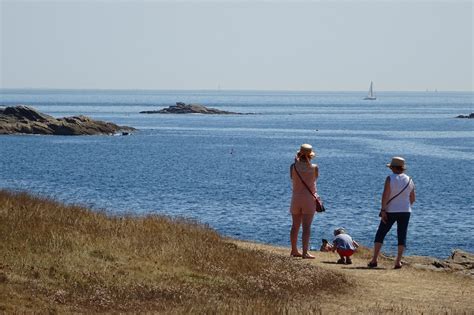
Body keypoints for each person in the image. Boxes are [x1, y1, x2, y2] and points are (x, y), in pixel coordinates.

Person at [368, 157, 416, 269]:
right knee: (402, 235)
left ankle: (374, 259)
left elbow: (385, 195)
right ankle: (398, 262)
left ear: (393, 168)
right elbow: (413, 198)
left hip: (390, 210)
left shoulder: (390, 178)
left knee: (381, 233)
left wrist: (383, 210)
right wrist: (405, 206)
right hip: (405, 211)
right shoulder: (410, 179)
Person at [289, 144, 319, 259]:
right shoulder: (314, 167)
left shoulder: (293, 167)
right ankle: (305, 252)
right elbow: (315, 178)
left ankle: (294, 250)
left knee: (295, 226)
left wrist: (297, 163)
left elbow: (292, 178)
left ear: (299, 154)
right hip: (308, 199)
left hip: (296, 198)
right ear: (310, 156)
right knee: (306, 227)